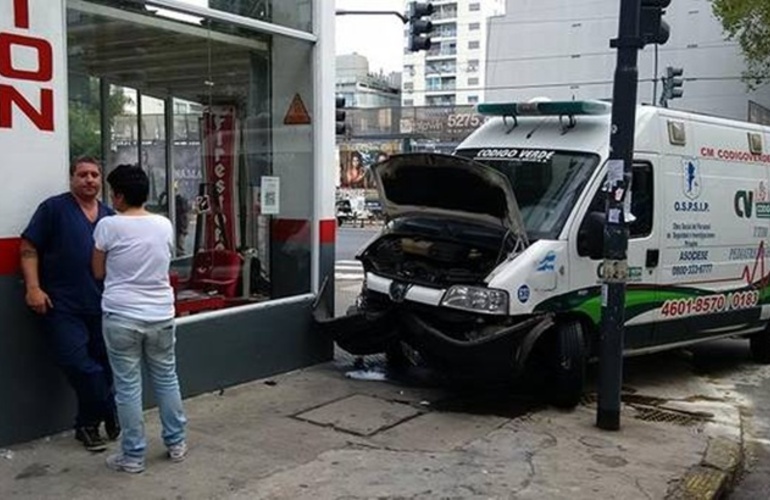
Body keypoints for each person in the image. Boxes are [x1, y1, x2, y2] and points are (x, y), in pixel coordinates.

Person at [92, 164, 187, 474]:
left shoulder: (107, 226)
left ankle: (133, 456)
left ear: (118, 196)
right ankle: (176, 443)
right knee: (166, 378)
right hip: (160, 314)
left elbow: (98, 271)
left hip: (121, 316)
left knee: (128, 387)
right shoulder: (164, 224)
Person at [20, 156, 119, 453]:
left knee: (106, 367)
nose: (89, 180)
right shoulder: (54, 209)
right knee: (79, 365)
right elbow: (28, 247)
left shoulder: (110, 216)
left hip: (103, 305)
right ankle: (108, 407)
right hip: (62, 305)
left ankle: (87, 425)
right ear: (71, 179)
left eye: (95, 175)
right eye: (83, 175)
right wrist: (33, 288)